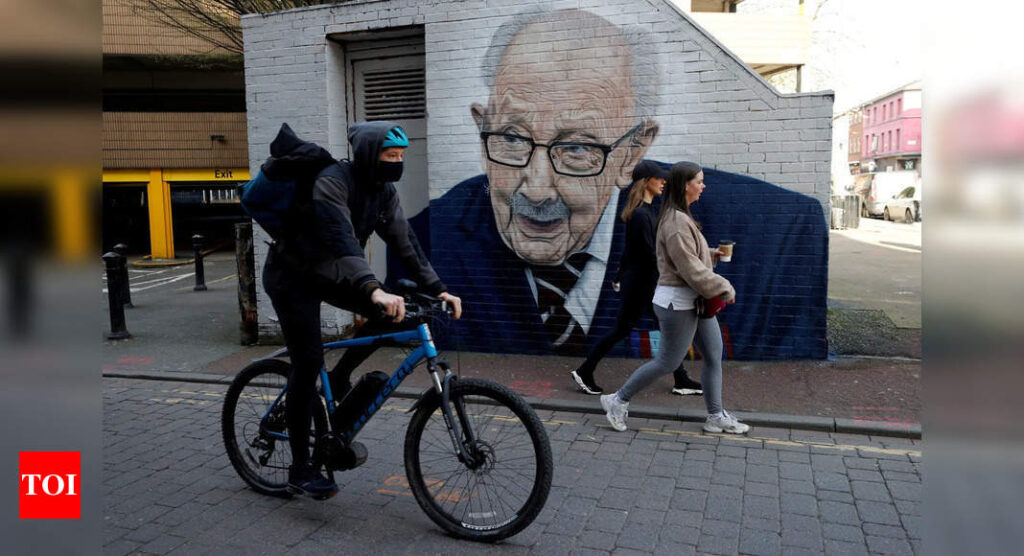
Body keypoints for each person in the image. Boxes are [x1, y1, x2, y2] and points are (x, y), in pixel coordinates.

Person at [397, 9, 660, 356]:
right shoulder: (425, 237)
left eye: (577, 147)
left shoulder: (748, 241)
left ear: (631, 153)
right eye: (511, 138)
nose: (536, 190)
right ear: (482, 131)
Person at [262, 121, 463, 498]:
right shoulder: (331, 181)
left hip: (332, 272)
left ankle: (339, 378)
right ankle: (300, 469)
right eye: (391, 156)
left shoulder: (383, 192)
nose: (397, 163)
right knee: (307, 363)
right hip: (292, 276)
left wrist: (440, 289)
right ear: (371, 155)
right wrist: (372, 288)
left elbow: (406, 243)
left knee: (386, 314)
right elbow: (340, 238)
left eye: (402, 156)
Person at [601, 161, 750, 434]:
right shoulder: (676, 221)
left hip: (695, 301)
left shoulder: (681, 216)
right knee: (667, 362)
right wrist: (724, 286)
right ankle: (617, 400)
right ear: (685, 186)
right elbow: (689, 269)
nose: (703, 186)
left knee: (714, 355)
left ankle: (715, 415)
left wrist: (711, 254)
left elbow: (689, 257)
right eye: (699, 181)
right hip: (678, 303)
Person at [570, 160, 703, 396]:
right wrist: (677, 269)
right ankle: (584, 371)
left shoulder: (648, 211)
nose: (664, 182)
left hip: (643, 282)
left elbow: (631, 251)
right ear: (646, 182)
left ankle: (681, 378)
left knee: (664, 328)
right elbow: (650, 254)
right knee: (623, 330)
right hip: (642, 285)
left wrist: (620, 274)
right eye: (659, 178)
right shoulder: (642, 215)